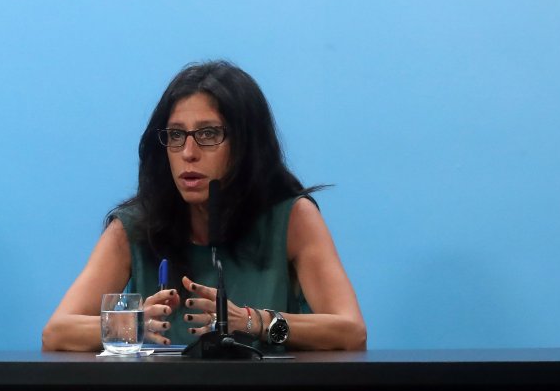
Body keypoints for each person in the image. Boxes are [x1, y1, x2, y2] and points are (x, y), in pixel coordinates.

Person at [42, 60, 366, 351]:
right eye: (176, 135)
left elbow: (351, 332)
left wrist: (252, 321)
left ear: (246, 143)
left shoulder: (291, 218)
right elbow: (57, 332)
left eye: (209, 134)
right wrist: (132, 325)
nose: (188, 153)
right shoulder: (135, 226)